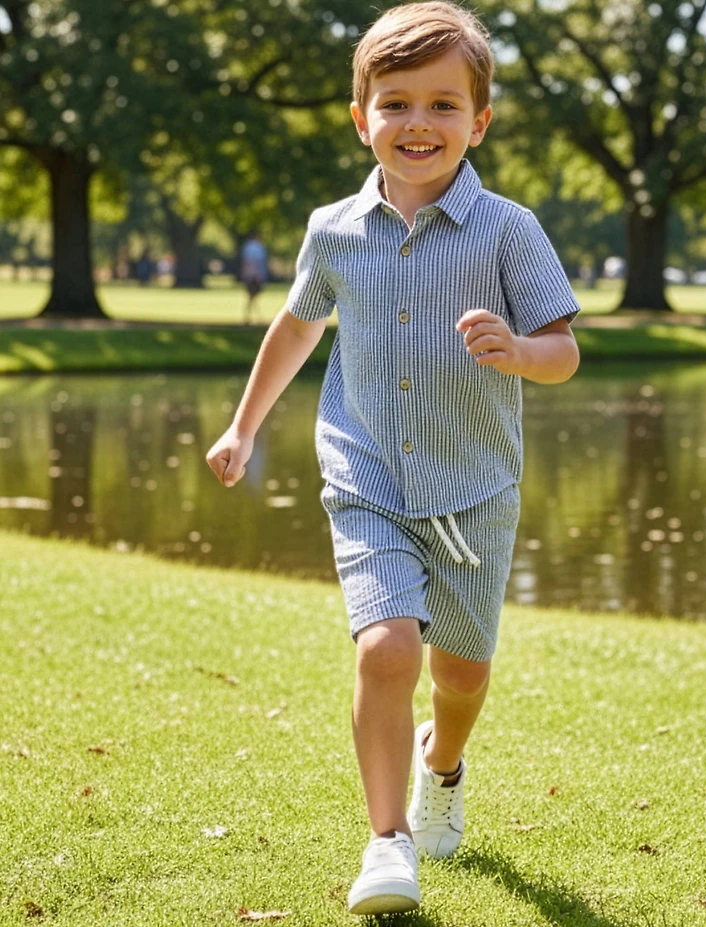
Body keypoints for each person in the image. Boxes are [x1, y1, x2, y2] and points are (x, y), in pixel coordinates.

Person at [206, 1, 580, 916]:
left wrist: (518, 351)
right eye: (397, 103)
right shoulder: (333, 229)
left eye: (444, 105)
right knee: (385, 649)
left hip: (475, 486)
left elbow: (564, 350)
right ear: (361, 117)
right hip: (365, 471)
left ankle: (441, 763)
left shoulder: (509, 229)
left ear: (478, 121)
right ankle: (387, 841)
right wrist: (244, 427)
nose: (419, 122)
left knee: (461, 674)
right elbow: (297, 327)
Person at [240, 231, 269, 323]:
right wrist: (257, 274)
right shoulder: (258, 247)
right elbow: (256, 262)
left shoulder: (247, 247)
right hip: (255, 275)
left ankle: (249, 316)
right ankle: (251, 316)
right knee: (252, 296)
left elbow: (245, 261)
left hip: (249, 274)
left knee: (252, 297)